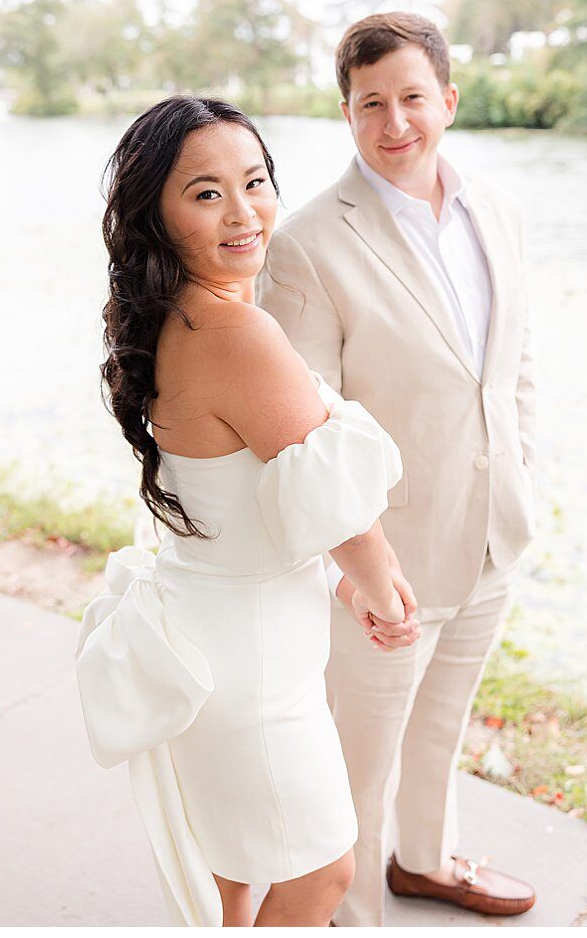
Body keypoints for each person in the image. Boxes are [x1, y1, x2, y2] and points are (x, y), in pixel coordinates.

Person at [76, 96, 419, 926]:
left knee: (233, 878)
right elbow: (325, 492)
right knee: (321, 873)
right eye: (205, 192)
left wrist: (332, 588)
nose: (244, 211)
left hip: (222, 630)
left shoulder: (174, 319)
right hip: (254, 672)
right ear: (157, 212)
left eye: (256, 182)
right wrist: (379, 581)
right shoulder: (237, 331)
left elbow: (236, 501)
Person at [259, 12, 538, 923]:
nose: (395, 122)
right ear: (346, 113)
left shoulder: (495, 209)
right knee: (359, 764)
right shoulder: (305, 245)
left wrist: (525, 479)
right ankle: (353, 913)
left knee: (440, 731)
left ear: (448, 100)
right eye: (370, 102)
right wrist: (352, 574)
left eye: (412, 97)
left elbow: (513, 369)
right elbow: (299, 434)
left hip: (493, 534)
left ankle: (423, 862)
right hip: (385, 568)